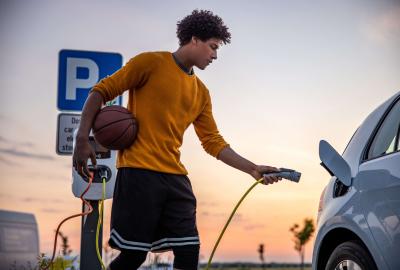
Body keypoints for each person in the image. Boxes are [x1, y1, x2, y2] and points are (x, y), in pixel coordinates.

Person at [73, 9, 281, 270]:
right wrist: (82, 138)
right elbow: (100, 91)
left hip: (175, 178)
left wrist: (253, 168)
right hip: (139, 174)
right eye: (212, 47)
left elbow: (213, 142)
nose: (215, 55)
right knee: (134, 255)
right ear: (194, 39)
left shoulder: (201, 92)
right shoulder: (149, 63)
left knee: (188, 250)